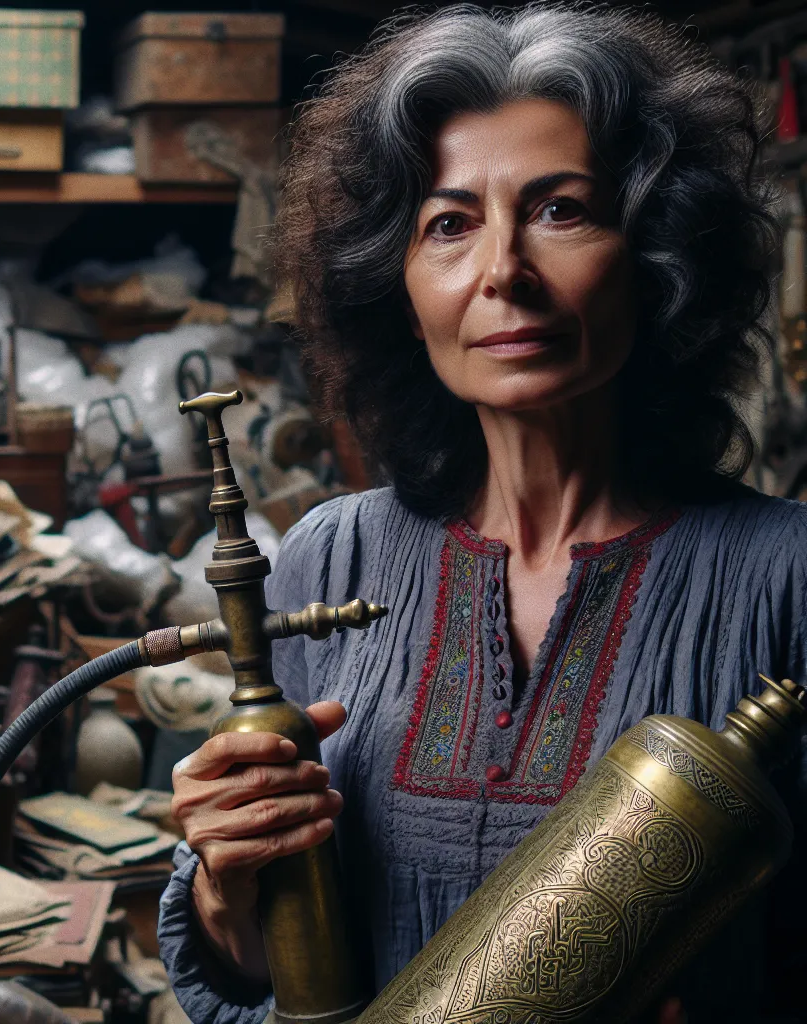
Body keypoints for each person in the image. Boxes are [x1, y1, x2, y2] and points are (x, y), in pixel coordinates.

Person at [159, 5, 804, 1023]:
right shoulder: (331, 559)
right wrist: (226, 883)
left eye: (560, 210)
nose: (503, 270)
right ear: (399, 286)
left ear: (656, 258)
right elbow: (268, 977)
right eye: (449, 224)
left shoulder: (786, 577)